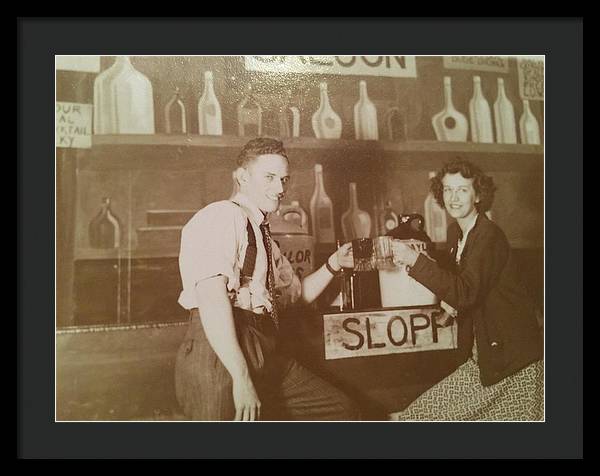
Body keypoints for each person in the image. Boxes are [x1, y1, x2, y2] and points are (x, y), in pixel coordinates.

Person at [174, 137, 360, 421]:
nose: (280, 188)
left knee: (340, 410)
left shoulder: (264, 237)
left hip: (261, 346)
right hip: (220, 352)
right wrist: (241, 376)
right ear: (242, 177)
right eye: (270, 177)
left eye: (284, 179)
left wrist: (334, 265)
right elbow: (211, 297)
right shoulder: (221, 216)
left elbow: (293, 297)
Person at [388, 158, 543, 421]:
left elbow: (465, 292)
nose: (453, 197)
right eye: (448, 189)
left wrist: (415, 260)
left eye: (462, 189)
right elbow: (470, 288)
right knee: (417, 416)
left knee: (417, 419)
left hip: (515, 364)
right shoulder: (459, 234)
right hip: (486, 359)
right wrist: (448, 307)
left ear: (478, 195)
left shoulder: (488, 235)